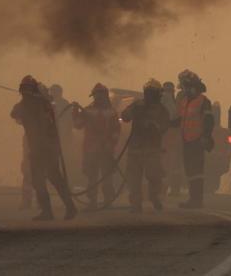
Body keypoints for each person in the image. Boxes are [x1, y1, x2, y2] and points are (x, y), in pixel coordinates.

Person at [11, 75, 77, 221]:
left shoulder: (33, 104)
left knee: (42, 179)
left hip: (42, 148)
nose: (24, 92)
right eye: (24, 89)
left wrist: (29, 100)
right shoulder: (40, 103)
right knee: (51, 178)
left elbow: (16, 113)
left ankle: (50, 211)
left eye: (27, 89)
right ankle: (67, 208)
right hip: (47, 147)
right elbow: (15, 115)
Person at [120, 79, 171, 213]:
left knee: (154, 176)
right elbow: (124, 116)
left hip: (152, 149)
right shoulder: (137, 105)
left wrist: (154, 125)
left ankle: (154, 197)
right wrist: (132, 113)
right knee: (134, 179)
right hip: (136, 148)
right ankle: (136, 204)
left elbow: (165, 126)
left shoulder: (161, 110)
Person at [72, 83, 121, 210]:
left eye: (101, 95)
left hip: (106, 149)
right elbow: (78, 125)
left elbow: (116, 130)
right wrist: (75, 112)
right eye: (97, 95)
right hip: (91, 149)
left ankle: (108, 201)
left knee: (106, 177)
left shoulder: (111, 112)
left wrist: (110, 144)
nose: (98, 97)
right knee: (92, 177)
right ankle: (92, 201)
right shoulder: (87, 110)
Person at [174, 69, 214, 209]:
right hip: (187, 140)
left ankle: (197, 200)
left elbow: (209, 120)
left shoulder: (203, 101)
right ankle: (193, 199)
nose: (183, 89)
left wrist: (206, 136)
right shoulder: (185, 101)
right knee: (190, 171)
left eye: (184, 86)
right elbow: (180, 119)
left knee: (196, 172)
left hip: (197, 140)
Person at [48, 84, 82, 185]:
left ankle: (66, 182)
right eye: (52, 91)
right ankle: (53, 182)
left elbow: (70, 122)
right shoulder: (48, 103)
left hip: (63, 138)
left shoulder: (64, 104)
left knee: (65, 160)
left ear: (59, 93)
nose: (53, 93)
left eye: (55, 91)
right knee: (52, 161)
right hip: (52, 138)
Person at [161, 80, 184, 196]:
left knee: (172, 164)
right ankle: (172, 189)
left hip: (171, 138)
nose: (168, 93)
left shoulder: (174, 102)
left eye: (170, 90)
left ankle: (171, 189)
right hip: (172, 138)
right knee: (172, 165)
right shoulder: (172, 102)